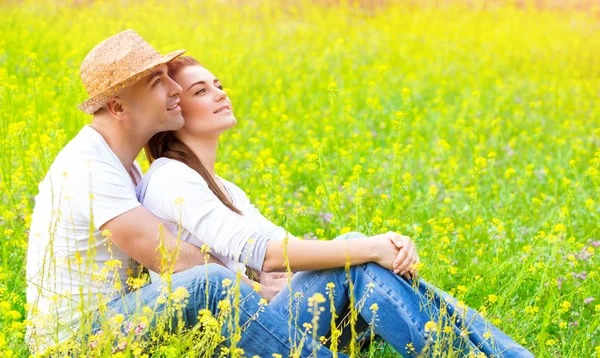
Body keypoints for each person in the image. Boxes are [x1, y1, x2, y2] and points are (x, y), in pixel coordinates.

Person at [139, 56, 535, 357]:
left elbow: (279, 250)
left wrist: (268, 279)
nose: (221, 93)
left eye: (218, 84)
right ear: (173, 111)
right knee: (357, 254)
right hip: (226, 338)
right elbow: (270, 253)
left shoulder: (223, 187)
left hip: (255, 316)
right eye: (200, 91)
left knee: (357, 256)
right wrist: (371, 247)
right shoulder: (170, 177)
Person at [25, 30, 348, 357]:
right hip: (78, 342)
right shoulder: (89, 167)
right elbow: (175, 260)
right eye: (157, 82)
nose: (175, 88)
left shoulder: (129, 168)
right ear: (117, 107)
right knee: (208, 282)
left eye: (169, 77)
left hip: (133, 318)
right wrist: (260, 290)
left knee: (345, 253)